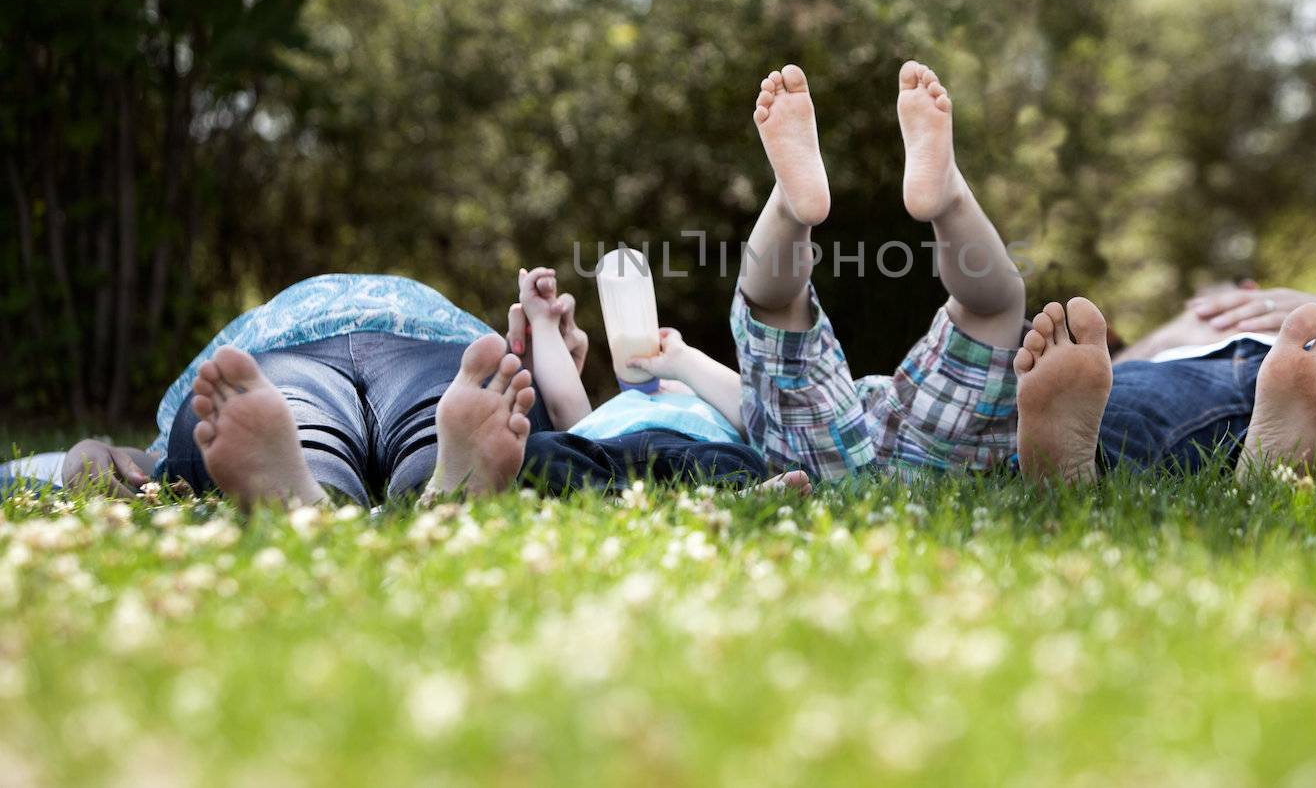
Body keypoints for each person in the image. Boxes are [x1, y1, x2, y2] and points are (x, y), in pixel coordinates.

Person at [54, 273, 789, 505]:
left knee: (298, 427)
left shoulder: (237, 355)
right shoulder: (455, 334)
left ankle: (307, 496)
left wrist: (101, 460)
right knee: (434, 432)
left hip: (278, 360)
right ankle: (438, 489)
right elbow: (590, 433)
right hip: (430, 352)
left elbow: (113, 457)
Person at [732, 61, 1028, 481]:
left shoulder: (671, 392)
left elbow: (742, 404)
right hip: (933, 452)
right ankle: (950, 200)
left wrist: (677, 362)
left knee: (772, 312)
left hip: (818, 463)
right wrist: (678, 362)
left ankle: (788, 205)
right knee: (994, 309)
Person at [1010, 282, 1316, 485]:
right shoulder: (1176, 331)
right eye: (1215, 299)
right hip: (1183, 365)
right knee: (1123, 400)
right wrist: (1168, 333)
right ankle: (1291, 477)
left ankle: (1082, 474)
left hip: (1309, 378)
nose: (1244, 297)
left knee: (1135, 408)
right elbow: (1097, 375)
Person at [510, 266, 812, 496]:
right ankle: (617, 499)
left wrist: (683, 361)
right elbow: (564, 403)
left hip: (694, 451)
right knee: (540, 448)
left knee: (738, 458)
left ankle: (729, 497)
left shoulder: (703, 410)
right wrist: (544, 320)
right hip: (608, 451)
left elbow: (754, 412)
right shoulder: (612, 414)